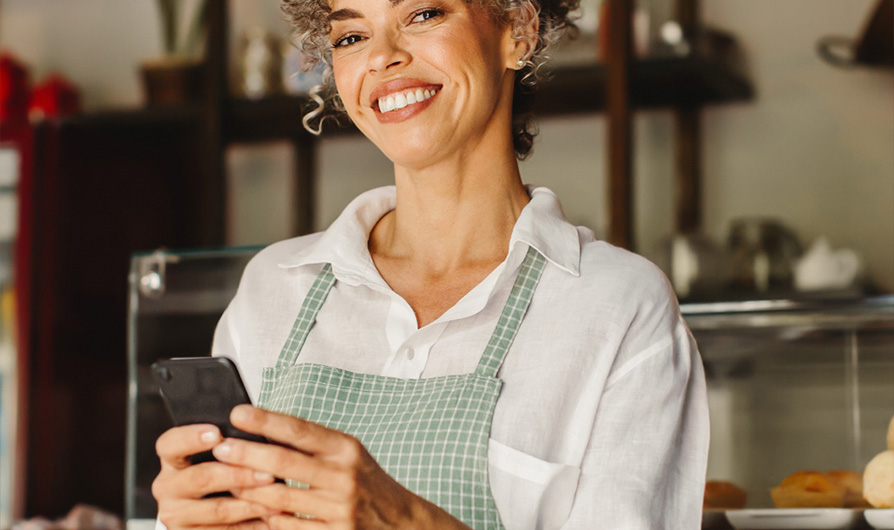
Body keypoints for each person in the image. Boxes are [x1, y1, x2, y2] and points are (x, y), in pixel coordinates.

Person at [152, 0, 710, 526]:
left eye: (422, 13)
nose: (381, 56)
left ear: (518, 28)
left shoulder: (617, 306)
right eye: (351, 35)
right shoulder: (273, 290)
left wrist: (402, 522)